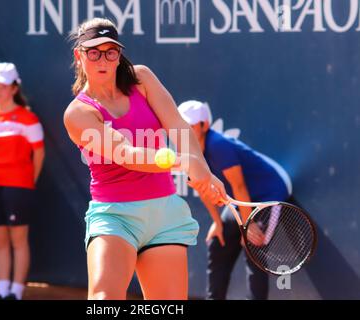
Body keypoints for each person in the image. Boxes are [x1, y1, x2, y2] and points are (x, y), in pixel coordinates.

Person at [63, 18, 227, 300]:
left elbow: (177, 125)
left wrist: (203, 170)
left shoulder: (142, 79)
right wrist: (184, 162)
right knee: (104, 301)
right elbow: (126, 154)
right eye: (94, 52)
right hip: (115, 217)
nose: (103, 59)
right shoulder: (77, 114)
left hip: (164, 215)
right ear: (79, 56)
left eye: (110, 51)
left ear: (119, 56)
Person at [178, 100, 293, 300]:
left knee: (252, 249)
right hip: (241, 201)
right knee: (217, 242)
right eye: (180, 125)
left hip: (267, 197)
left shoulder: (218, 145)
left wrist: (247, 226)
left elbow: (239, 186)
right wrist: (217, 222)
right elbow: (203, 190)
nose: (184, 131)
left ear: (204, 125)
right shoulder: (189, 153)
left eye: (189, 125)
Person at [0, 62, 45, 300]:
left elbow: (39, 154)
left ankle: (16, 293)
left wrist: (28, 182)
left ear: (14, 88)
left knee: (19, 240)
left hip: (19, 187)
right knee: (0, 241)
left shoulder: (28, 119)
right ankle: (2, 289)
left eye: (3, 86)